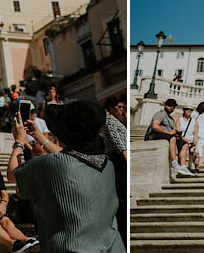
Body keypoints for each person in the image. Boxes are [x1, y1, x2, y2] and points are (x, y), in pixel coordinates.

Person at [10, 101, 124, 252]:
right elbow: (70, 157)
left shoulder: (50, 164)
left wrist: (19, 141)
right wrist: (38, 136)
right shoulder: (107, 164)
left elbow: (13, 174)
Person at [144, 99, 194, 176]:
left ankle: (183, 166)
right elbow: (155, 126)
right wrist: (169, 133)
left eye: (173, 106)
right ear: (165, 105)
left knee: (184, 144)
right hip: (155, 135)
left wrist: (183, 138)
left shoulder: (171, 119)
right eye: (169, 105)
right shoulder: (160, 114)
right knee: (172, 138)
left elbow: (173, 132)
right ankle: (174, 163)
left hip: (167, 135)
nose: (171, 107)